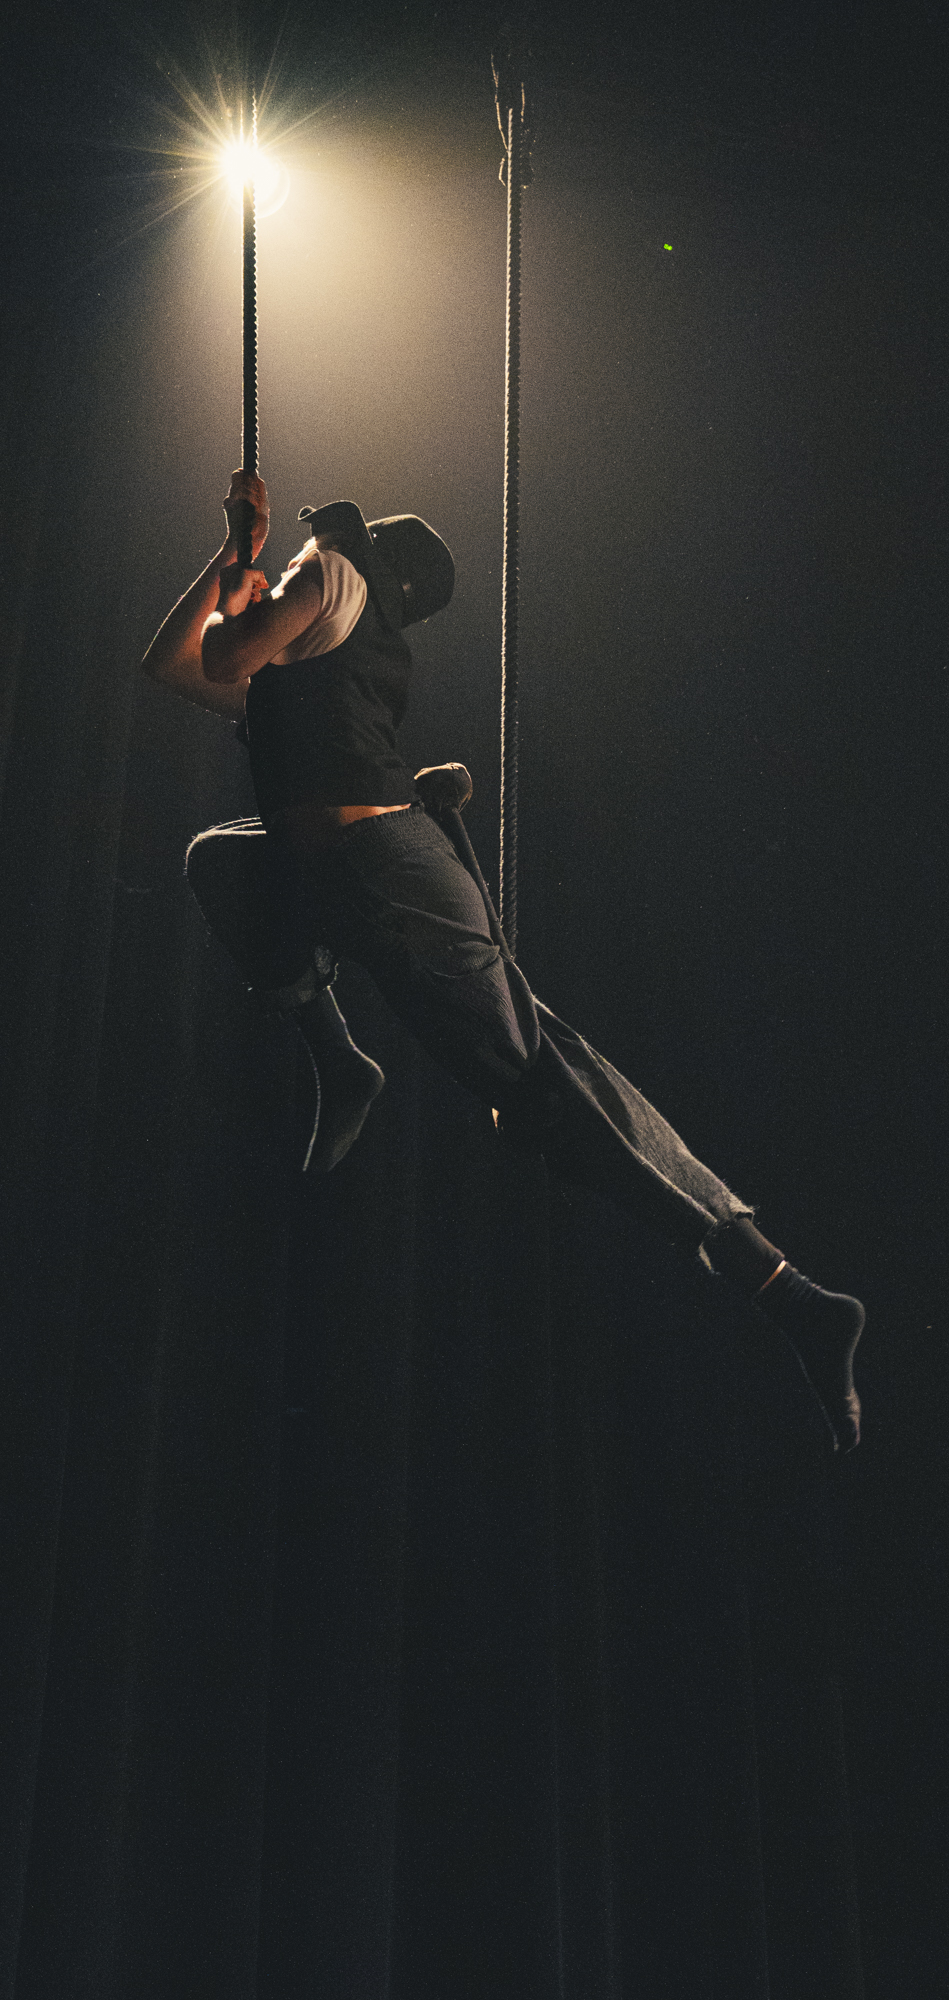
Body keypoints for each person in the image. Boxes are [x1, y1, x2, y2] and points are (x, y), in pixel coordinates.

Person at [141, 470, 864, 1452]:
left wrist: (243, 550)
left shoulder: (333, 576)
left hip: (389, 874)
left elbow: (223, 647)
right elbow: (175, 665)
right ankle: (339, 1058)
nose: (296, 558)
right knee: (220, 860)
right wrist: (228, 558)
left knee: (545, 1087)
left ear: (357, 559)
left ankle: (788, 1292)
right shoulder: (303, 653)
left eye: (309, 548)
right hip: (329, 872)